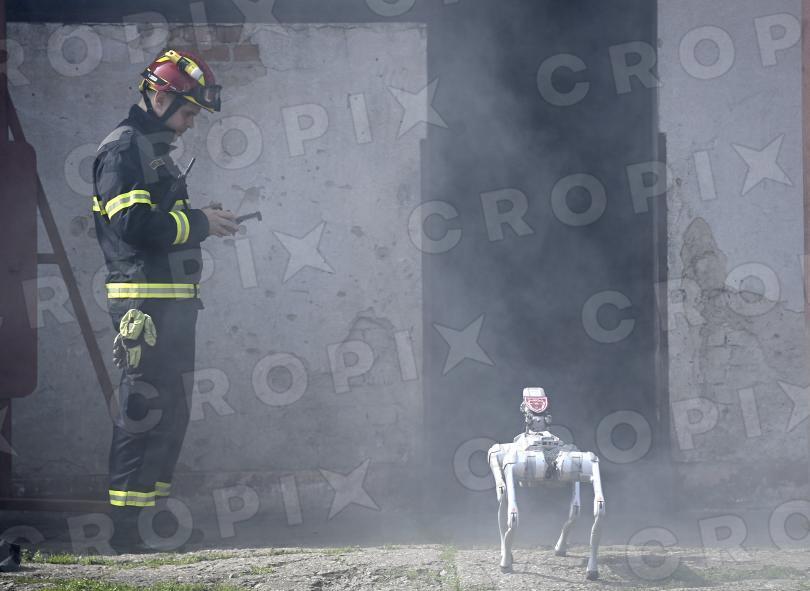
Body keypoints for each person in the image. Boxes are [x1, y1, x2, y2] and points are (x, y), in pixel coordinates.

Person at [91, 48, 239, 552]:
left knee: (170, 413)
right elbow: (132, 226)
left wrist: (200, 219)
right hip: (144, 306)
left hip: (171, 306)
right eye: (188, 112)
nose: (190, 123)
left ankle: (152, 522)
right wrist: (198, 223)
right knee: (144, 411)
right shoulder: (123, 149)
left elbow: (157, 221)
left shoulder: (151, 149)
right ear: (160, 97)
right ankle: (125, 531)